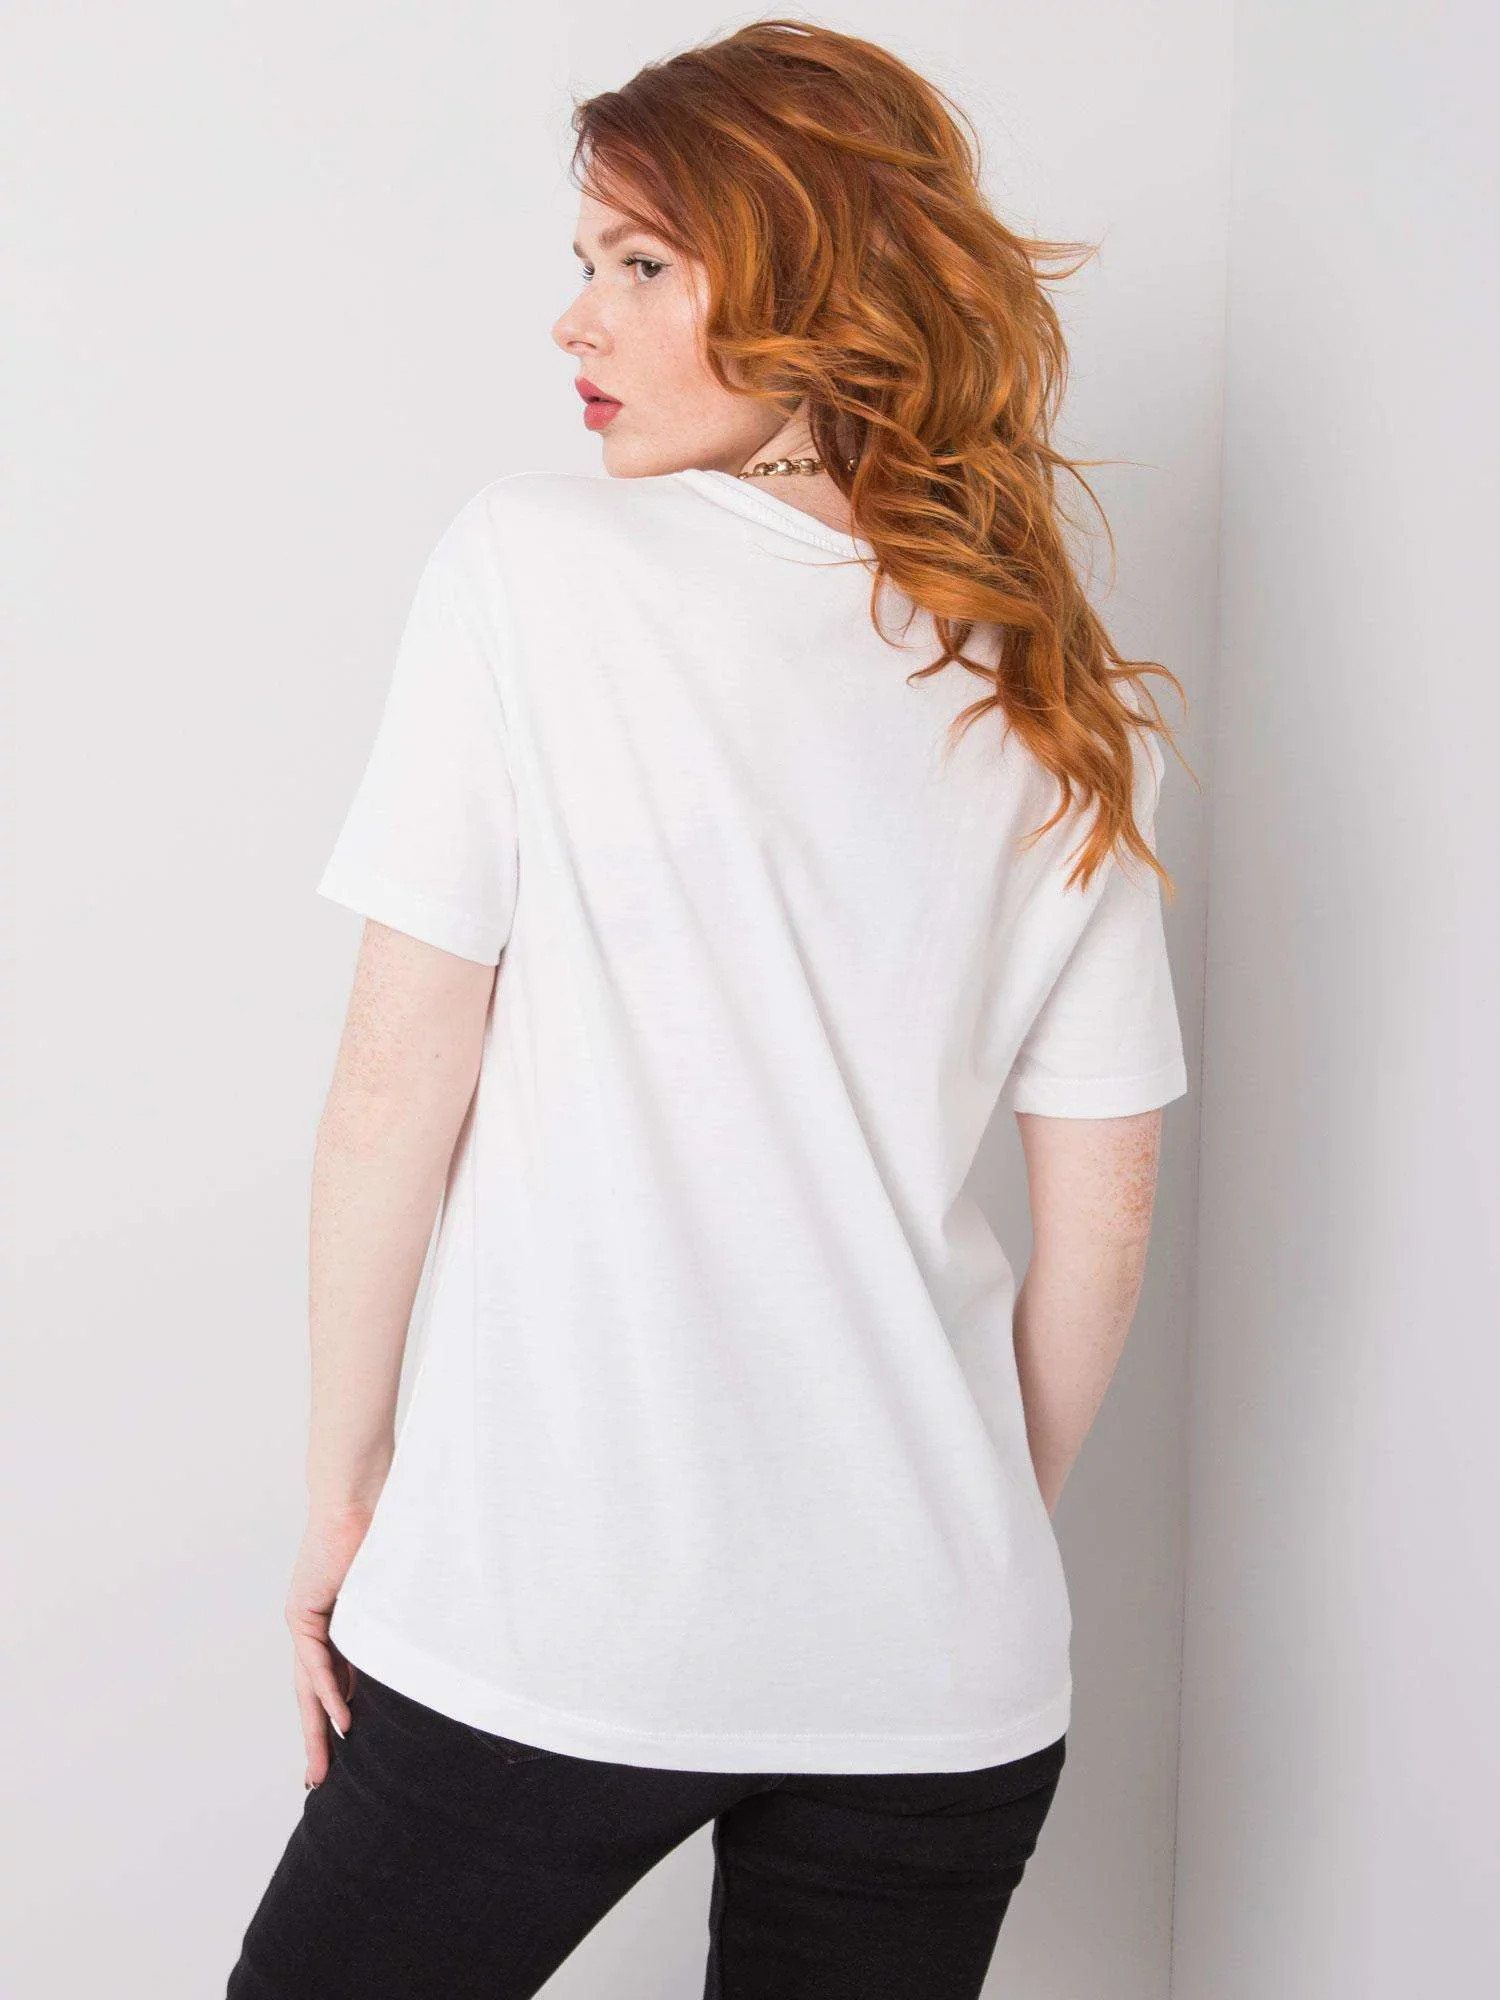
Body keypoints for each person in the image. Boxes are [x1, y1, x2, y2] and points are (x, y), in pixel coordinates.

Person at [226, 19, 1189, 1999]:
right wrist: (948, 1530)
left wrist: (341, 1497)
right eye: (589, 259)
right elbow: (1105, 1207)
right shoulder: (1052, 692)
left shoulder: (535, 568)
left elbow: (394, 1087)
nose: (575, 318)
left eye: (642, 262)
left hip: (555, 1609)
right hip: (941, 1659)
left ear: (814, 277)